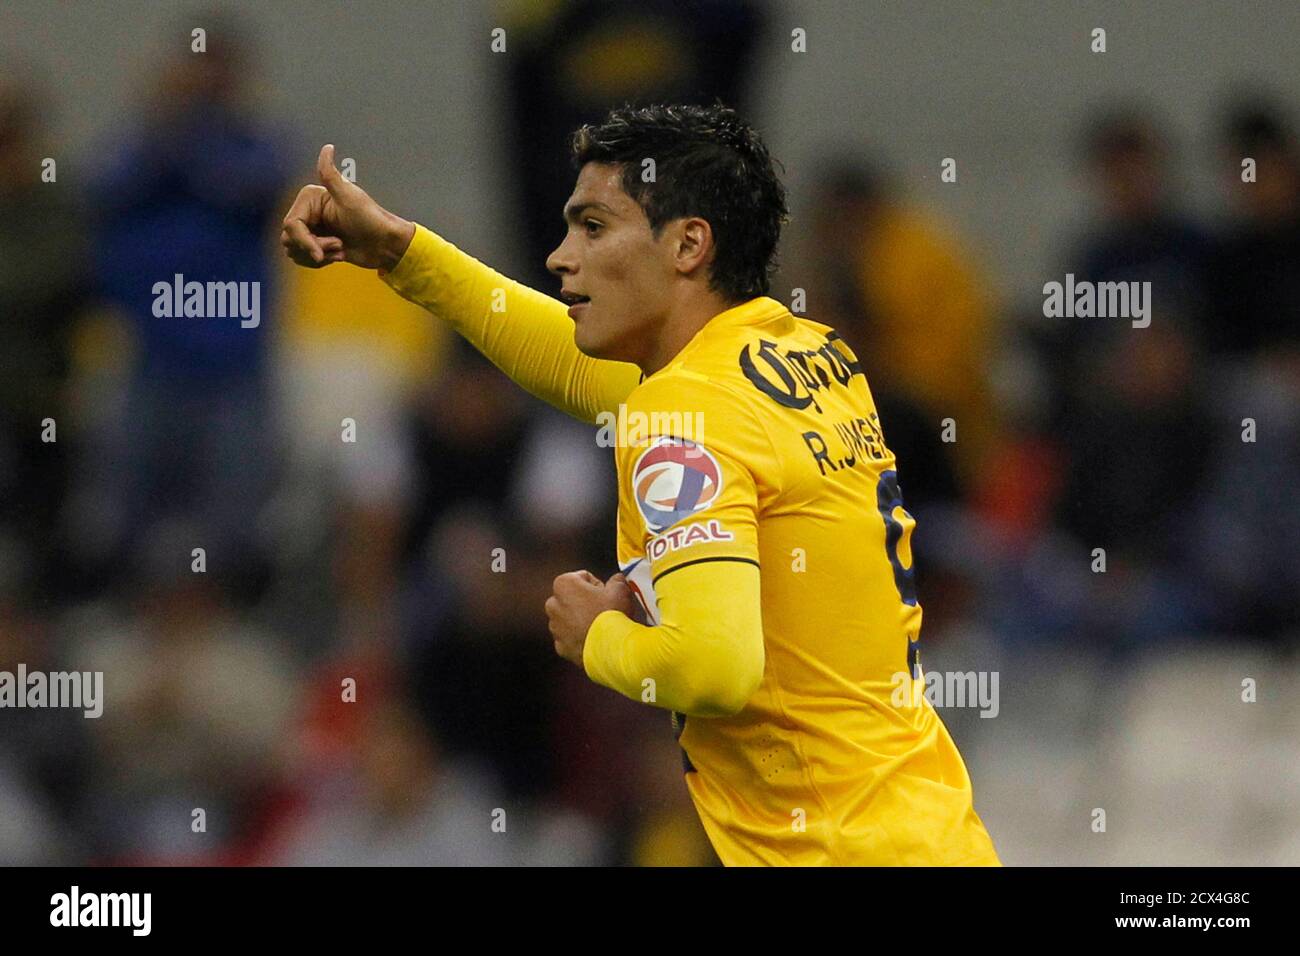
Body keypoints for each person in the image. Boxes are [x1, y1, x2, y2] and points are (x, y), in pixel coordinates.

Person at [280, 103, 1000, 866]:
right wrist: (400, 251)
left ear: (688, 244)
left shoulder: (681, 413)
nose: (561, 257)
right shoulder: (807, 354)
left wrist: (598, 638)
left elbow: (715, 669)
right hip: (931, 834)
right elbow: (568, 359)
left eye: (593, 227)